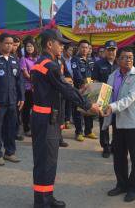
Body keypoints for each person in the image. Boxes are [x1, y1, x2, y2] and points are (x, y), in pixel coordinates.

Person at [30, 29, 100, 208]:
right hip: (47, 119)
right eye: (59, 43)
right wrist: (89, 105)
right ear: (49, 44)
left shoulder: (45, 62)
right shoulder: (50, 65)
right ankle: (42, 202)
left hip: (44, 117)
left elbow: (61, 87)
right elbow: (66, 89)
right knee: (46, 161)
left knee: (47, 160)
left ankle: (46, 196)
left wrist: (75, 90)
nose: (62, 46)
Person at [102, 47, 135, 203]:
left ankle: (134, 188)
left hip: (133, 123)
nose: (128, 60)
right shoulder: (113, 75)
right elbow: (107, 95)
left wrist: (111, 107)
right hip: (117, 122)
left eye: (131, 57)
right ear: (118, 59)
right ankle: (121, 184)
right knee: (119, 157)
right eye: (125, 57)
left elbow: (130, 98)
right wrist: (100, 105)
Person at [0, 33, 25, 166]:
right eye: (7, 43)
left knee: (11, 128)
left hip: (13, 100)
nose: (10, 46)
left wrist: (22, 97)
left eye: (12, 43)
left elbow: (20, 80)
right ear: (0, 44)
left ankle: (9, 152)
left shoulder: (14, 59)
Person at [92, 40, 118, 158]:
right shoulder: (98, 64)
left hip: (118, 97)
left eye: (113, 50)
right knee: (104, 123)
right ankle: (106, 146)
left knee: (117, 123)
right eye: (109, 50)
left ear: (116, 51)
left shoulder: (120, 63)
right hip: (104, 97)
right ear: (105, 51)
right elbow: (95, 81)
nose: (111, 52)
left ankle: (115, 145)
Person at [71, 40, 96, 141]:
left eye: (86, 47)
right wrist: (83, 83)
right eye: (82, 47)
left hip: (90, 88)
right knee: (78, 111)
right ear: (79, 48)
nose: (85, 49)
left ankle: (88, 131)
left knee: (89, 109)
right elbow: (76, 73)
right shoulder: (75, 59)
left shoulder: (91, 59)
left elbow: (94, 74)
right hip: (79, 89)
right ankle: (79, 132)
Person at [20, 38, 38, 137]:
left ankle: (34, 127)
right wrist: (36, 80)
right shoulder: (23, 59)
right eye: (27, 46)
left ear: (34, 47)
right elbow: (26, 74)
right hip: (27, 88)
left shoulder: (38, 58)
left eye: (31, 46)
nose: (29, 48)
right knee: (26, 109)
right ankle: (26, 128)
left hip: (37, 88)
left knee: (35, 109)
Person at [12, 35, 24, 141]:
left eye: (17, 45)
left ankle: (16, 132)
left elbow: (20, 78)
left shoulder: (18, 57)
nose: (15, 47)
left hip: (16, 89)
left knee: (17, 112)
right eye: (14, 45)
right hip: (5, 91)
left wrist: (21, 95)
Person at [62, 44, 74, 129]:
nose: (71, 52)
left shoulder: (73, 60)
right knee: (63, 103)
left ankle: (67, 120)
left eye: (72, 50)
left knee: (69, 103)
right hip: (62, 84)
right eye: (69, 50)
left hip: (70, 84)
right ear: (65, 51)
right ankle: (62, 120)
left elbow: (69, 72)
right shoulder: (61, 59)